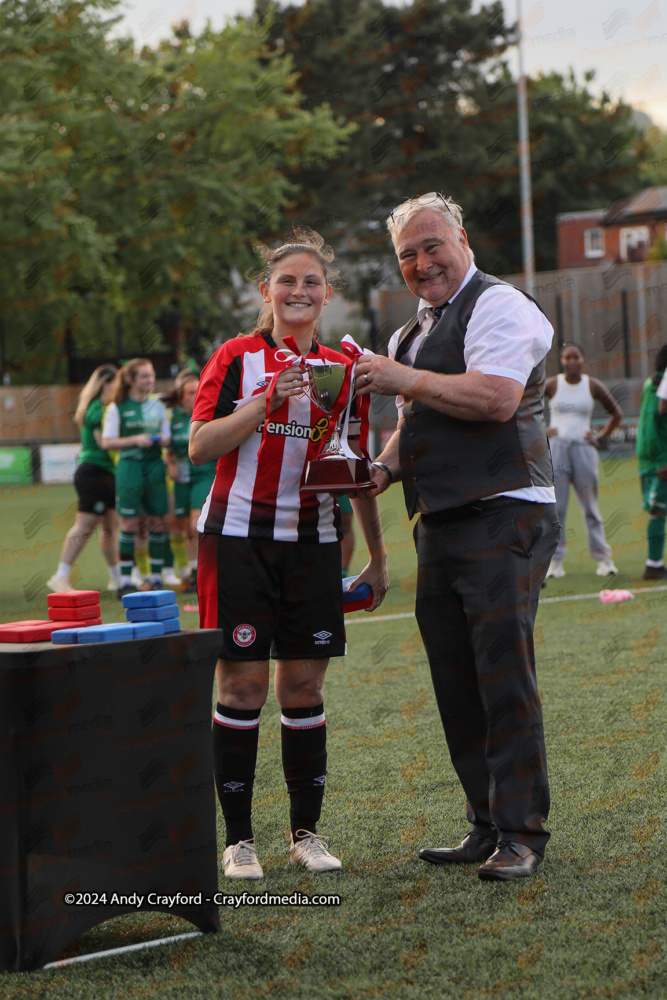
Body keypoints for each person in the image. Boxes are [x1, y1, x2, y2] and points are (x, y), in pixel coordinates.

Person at [354, 192, 558, 881]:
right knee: (455, 678)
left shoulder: (499, 305)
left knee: (502, 677)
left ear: (461, 239)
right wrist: (380, 468)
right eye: (406, 254)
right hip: (440, 519)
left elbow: (494, 397)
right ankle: (484, 824)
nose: (420, 261)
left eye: (430, 244)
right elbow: (415, 421)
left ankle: (522, 833)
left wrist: (400, 377)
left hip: (505, 511)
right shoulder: (410, 332)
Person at [189, 230, 389, 880]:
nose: (298, 291)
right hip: (239, 539)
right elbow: (199, 446)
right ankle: (239, 841)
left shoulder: (344, 368)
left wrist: (378, 555)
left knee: (302, 685)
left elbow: (353, 468)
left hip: (312, 544)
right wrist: (263, 404)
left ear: (326, 293)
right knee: (242, 684)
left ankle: (306, 835)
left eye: (311, 282)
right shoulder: (236, 356)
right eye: (287, 281)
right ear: (265, 291)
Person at [544, 344, 622, 579]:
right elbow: (526, 407)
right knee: (557, 509)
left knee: (590, 507)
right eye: (566, 358)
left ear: (582, 359)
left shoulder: (593, 384)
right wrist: (541, 430)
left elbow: (616, 413)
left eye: (575, 357)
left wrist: (600, 437)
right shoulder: (552, 384)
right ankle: (555, 563)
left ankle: (604, 560)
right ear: (561, 361)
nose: (571, 361)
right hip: (558, 450)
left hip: (584, 450)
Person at [47, 365, 121, 594]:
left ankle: (117, 579)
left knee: (110, 527)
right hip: (94, 473)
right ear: (105, 384)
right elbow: (103, 443)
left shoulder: (102, 408)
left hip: (107, 473)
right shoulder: (97, 409)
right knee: (85, 525)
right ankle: (60, 576)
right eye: (116, 384)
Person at [101, 358, 171, 597]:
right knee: (129, 524)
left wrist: (162, 439)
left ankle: (156, 577)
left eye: (151, 376)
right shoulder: (116, 407)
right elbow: (107, 441)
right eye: (144, 376)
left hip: (154, 466)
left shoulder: (159, 406)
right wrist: (135, 440)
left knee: (158, 522)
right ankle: (124, 581)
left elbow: (168, 437)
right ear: (130, 380)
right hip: (129, 466)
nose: (149, 380)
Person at [163, 368, 217, 591]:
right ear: (180, 395)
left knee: (196, 523)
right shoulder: (172, 417)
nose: (193, 396)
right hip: (181, 479)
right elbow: (168, 449)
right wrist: (170, 464)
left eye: (197, 390)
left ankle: (205, 571)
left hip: (204, 474)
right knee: (185, 526)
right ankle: (194, 572)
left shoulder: (210, 413)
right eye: (188, 392)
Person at [636, 344, 667, 580]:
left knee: (658, 510)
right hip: (659, 456)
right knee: (658, 510)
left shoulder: (652, 382)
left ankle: (654, 564)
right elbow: (660, 413)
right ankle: (653, 566)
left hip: (650, 455)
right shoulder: (660, 383)